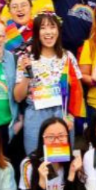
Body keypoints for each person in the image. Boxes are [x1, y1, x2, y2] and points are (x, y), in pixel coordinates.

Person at [14, 12, 83, 155]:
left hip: (62, 114)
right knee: (36, 160)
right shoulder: (26, 59)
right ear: (37, 32)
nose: (48, 32)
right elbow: (18, 97)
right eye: (43, 28)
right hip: (35, 115)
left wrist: (70, 117)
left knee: (61, 161)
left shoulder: (67, 57)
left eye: (52, 27)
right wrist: (27, 73)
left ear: (58, 30)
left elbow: (78, 91)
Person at [13, 117, 82, 190]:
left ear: (68, 137)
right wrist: (41, 182)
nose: (56, 141)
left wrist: (71, 174)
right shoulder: (29, 164)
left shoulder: (72, 162)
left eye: (61, 136)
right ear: (42, 139)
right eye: (50, 137)